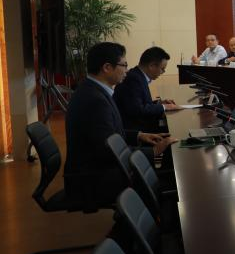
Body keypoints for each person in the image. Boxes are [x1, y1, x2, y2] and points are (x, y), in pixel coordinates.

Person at [64, 42, 171, 209]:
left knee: (160, 173)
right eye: (124, 65)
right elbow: (109, 150)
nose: (127, 71)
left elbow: (112, 135)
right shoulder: (95, 100)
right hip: (92, 178)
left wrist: (139, 135)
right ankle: (156, 219)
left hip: (97, 169)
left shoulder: (95, 90)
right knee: (161, 183)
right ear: (107, 67)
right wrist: (154, 151)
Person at [114, 46, 179, 132]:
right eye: (162, 69)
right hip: (137, 130)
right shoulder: (133, 79)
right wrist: (164, 107)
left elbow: (139, 103)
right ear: (151, 66)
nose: (163, 72)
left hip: (141, 125)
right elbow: (138, 110)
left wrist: (159, 103)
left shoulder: (138, 75)